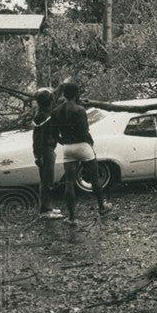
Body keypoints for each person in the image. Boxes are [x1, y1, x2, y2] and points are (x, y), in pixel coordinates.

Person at [50, 81, 112, 224]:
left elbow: (54, 134)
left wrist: (64, 142)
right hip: (83, 146)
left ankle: (71, 217)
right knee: (95, 178)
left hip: (67, 148)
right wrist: (90, 144)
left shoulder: (56, 111)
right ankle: (102, 207)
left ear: (64, 95)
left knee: (70, 182)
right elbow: (85, 132)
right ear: (77, 95)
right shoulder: (79, 110)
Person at [31, 88, 63, 219]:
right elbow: (37, 138)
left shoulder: (46, 115)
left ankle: (47, 207)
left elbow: (54, 134)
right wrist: (38, 156)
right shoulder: (43, 117)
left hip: (48, 149)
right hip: (45, 150)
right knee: (47, 180)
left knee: (47, 179)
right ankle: (45, 210)